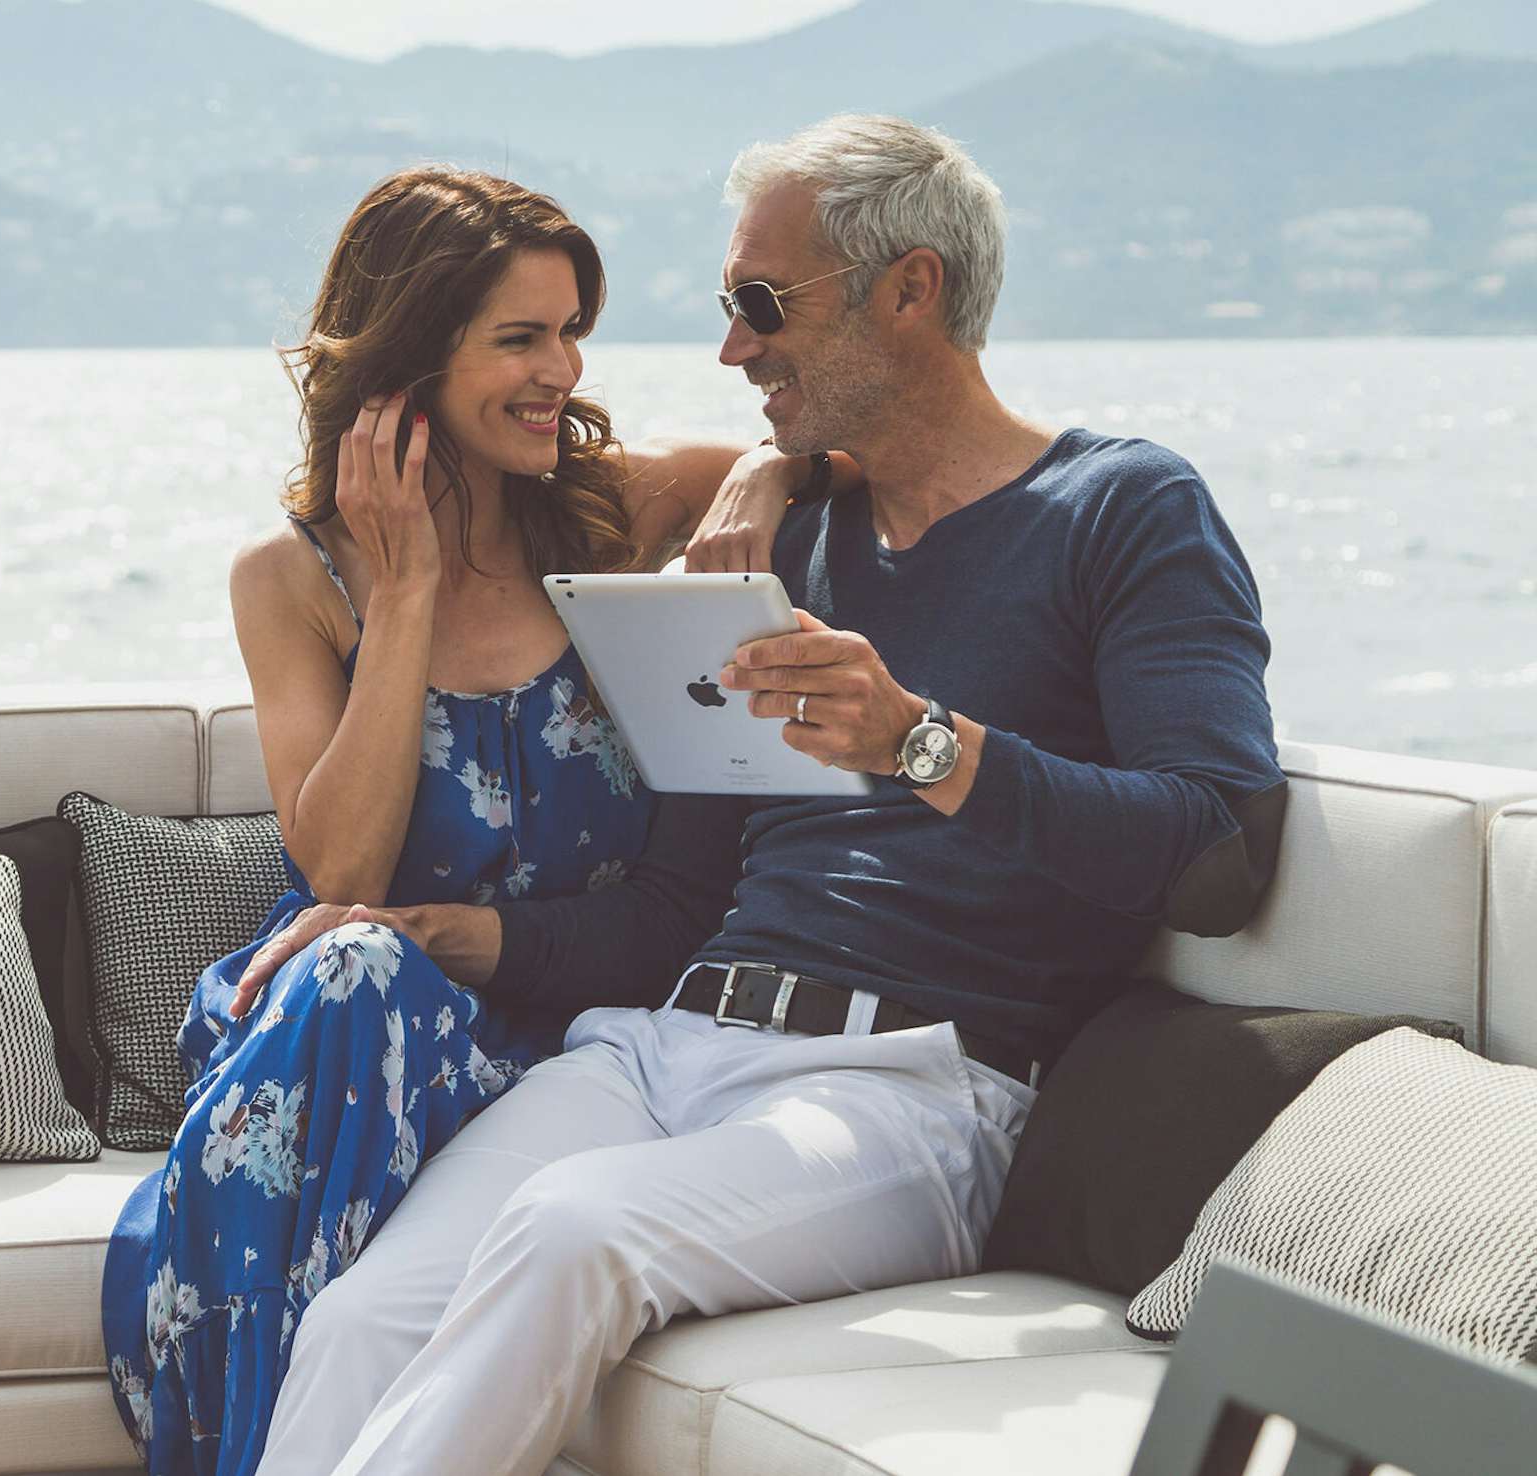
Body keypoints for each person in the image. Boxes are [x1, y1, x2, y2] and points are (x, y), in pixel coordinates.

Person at [235, 115, 1289, 1476]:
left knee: (575, 1234)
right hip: (666, 1046)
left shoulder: (1127, 509)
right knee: (368, 1310)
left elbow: (1215, 852)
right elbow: (676, 904)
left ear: (909, 289)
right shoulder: (787, 538)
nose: (732, 348)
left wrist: (922, 743)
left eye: (759, 303)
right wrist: (424, 932)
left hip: (914, 1090)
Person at [98, 166, 840, 1476]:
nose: (560, 370)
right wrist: (404, 596)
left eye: (571, 334)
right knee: (352, 964)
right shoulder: (293, 578)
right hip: (355, 1037)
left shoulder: (614, 515)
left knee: (357, 967)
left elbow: (830, 445)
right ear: (412, 351)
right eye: (520, 338)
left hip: (568, 1051)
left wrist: (758, 489)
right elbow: (340, 864)